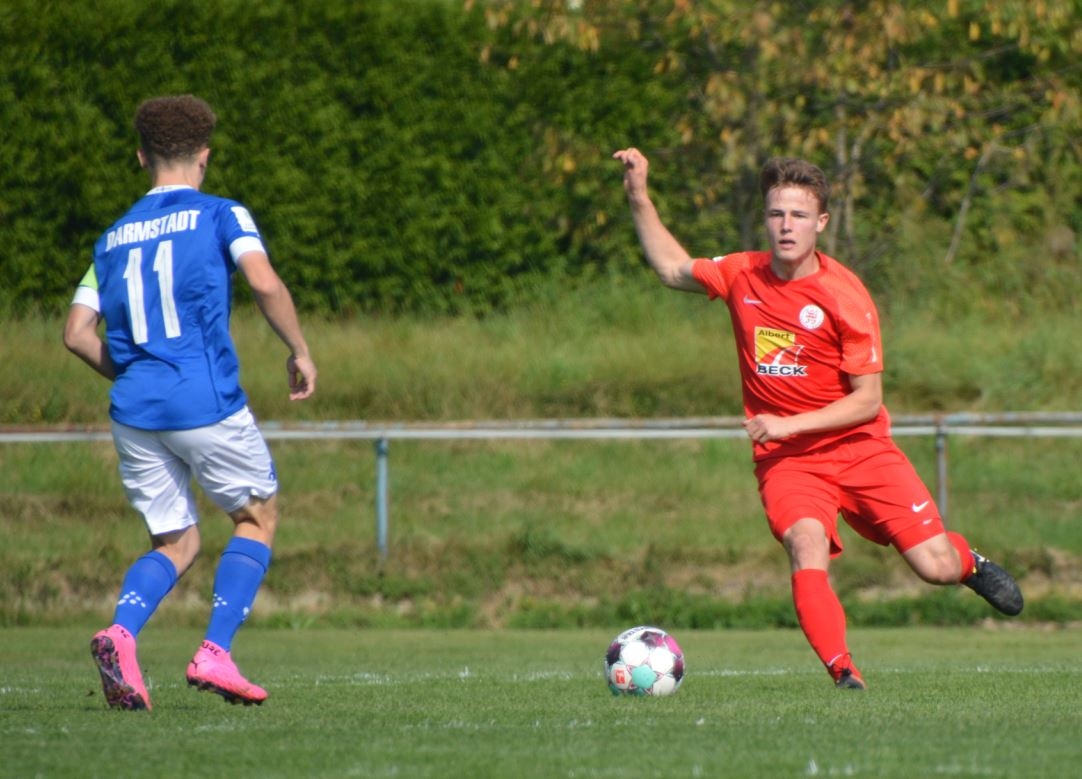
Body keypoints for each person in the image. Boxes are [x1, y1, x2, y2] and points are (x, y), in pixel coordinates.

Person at [613, 148, 1023, 689]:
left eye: (799, 215)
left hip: (862, 449)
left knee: (936, 567)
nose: (786, 225)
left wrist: (790, 423)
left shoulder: (844, 295)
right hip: (789, 462)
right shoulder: (741, 273)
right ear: (765, 219)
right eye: (776, 213)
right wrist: (638, 196)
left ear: (821, 223)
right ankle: (843, 671)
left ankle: (967, 562)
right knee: (805, 544)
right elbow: (671, 267)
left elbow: (867, 400)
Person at [64, 95, 317, 710]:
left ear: (141, 157)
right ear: (204, 155)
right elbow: (262, 281)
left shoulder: (111, 239)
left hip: (133, 411)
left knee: (176, 542)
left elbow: (75, 333)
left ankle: (120, 633)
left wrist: (135, 374)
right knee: (256, 518)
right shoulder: (222, 214)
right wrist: (299, 349)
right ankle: (215, 651)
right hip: (204, 401)